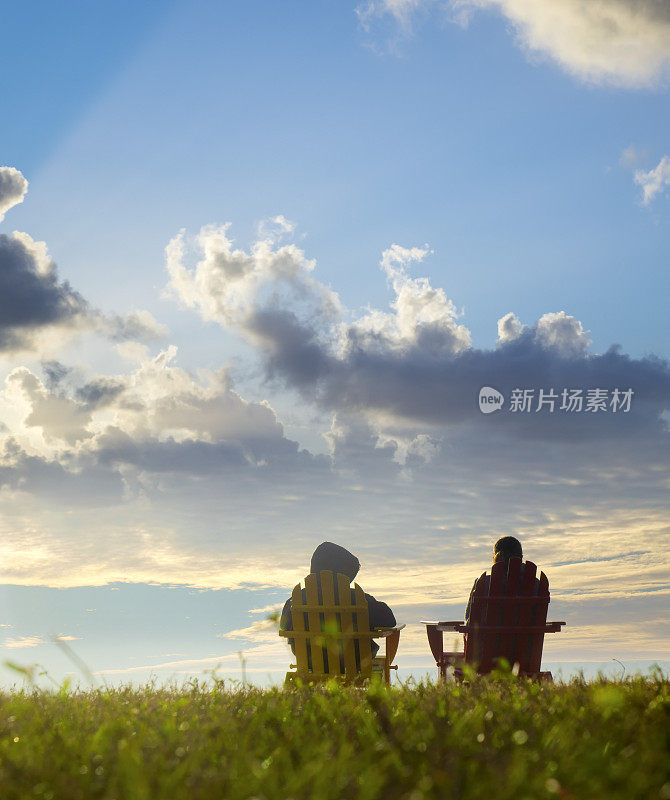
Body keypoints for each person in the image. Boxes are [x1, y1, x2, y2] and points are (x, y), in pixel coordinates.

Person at [280, 541, 395, 659]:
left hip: (310, 662)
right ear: (343, 575)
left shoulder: (295, 600)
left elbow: (284, 626)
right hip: (354, 661)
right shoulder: (358, 599)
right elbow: (390, 621)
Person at [464, 536, 540, 623]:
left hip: (487, 636)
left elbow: (469, 618)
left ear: (496, 557)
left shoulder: (483, 583)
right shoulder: (536, 584)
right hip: (527, 636)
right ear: (521, 556)